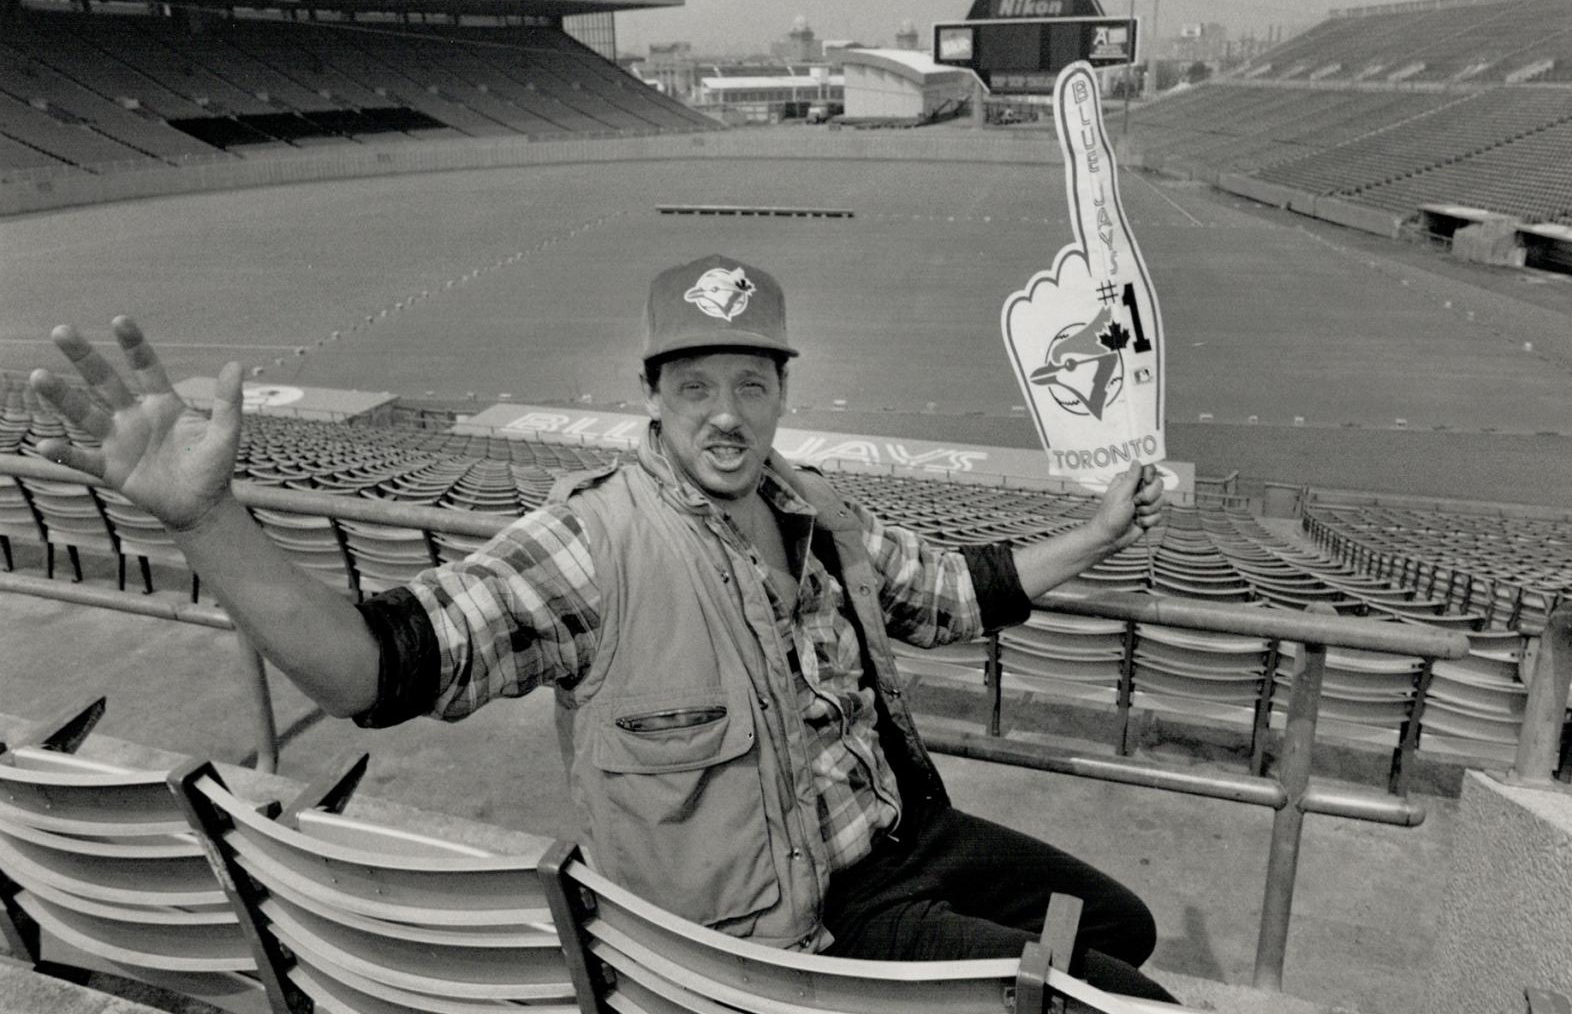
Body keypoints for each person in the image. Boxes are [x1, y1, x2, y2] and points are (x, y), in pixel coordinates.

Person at [30, 254, 1173, 1002]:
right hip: (803, 928)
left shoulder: (820, 505)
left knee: (1123, 923)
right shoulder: (591, 547)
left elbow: (953, 594)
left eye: (750, 384)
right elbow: (375, 670)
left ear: (782, 391)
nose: (725, 417)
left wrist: (1098, 531)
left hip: (908, 839)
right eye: (694, 388)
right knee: (1125, 1000)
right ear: (653, 397)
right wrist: (208, 519)